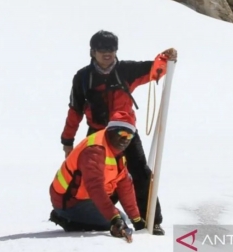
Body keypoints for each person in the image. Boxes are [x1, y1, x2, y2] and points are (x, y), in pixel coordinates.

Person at [60, 30, 177, 235]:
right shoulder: (82, 78)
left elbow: (156, 69)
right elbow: (75, 110)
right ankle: (88, 217)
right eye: (103, 50)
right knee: (96, 179)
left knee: (140, 172)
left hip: (126, 134)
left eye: (112, 49)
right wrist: (67, 141)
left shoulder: (127, 70)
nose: (108, 54)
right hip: (97, 136)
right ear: (93, 52)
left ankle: (151, 221)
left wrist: (166, 57)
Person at [50, 111, 146, 241]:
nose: (125, 139)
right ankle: (66, 219)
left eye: (130, 135)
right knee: (118, 220)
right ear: (111, 130)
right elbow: (95, 187)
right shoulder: (95, 150)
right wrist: (114, 218)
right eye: (122, 133)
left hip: (85, 198)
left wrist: (136, 219)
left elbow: (125, 185)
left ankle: (76, 218)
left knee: (125, 219)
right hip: (69, 201)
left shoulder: (116, 150)